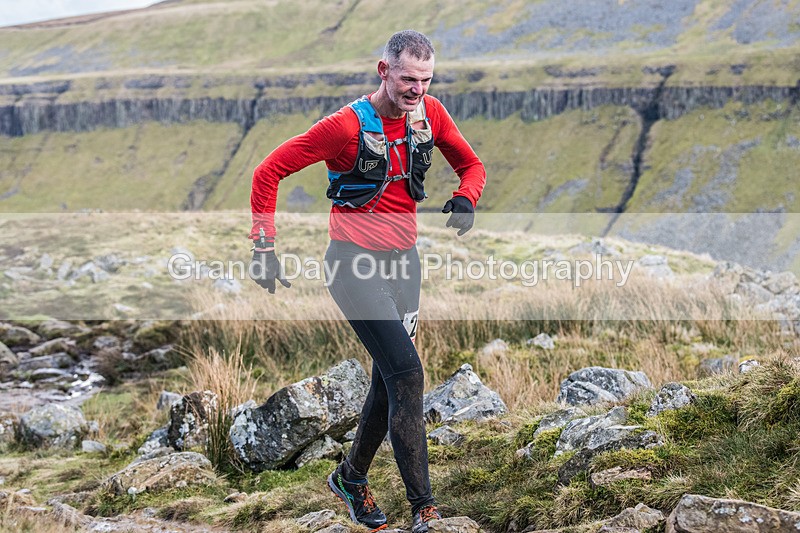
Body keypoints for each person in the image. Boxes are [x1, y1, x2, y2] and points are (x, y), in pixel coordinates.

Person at [249, 29, 485, 533]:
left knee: (389, 377)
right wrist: (264, 246)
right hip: (353, 265)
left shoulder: (432, 114)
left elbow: (471, 163)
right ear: (384, 71)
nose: (416, 89)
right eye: (407, 78)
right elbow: (267, 172)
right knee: (408, 374)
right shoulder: (343, 128)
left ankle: (351, 479)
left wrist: (467, 196)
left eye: (425, 80)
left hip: (406, 267)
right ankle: (425, 508)